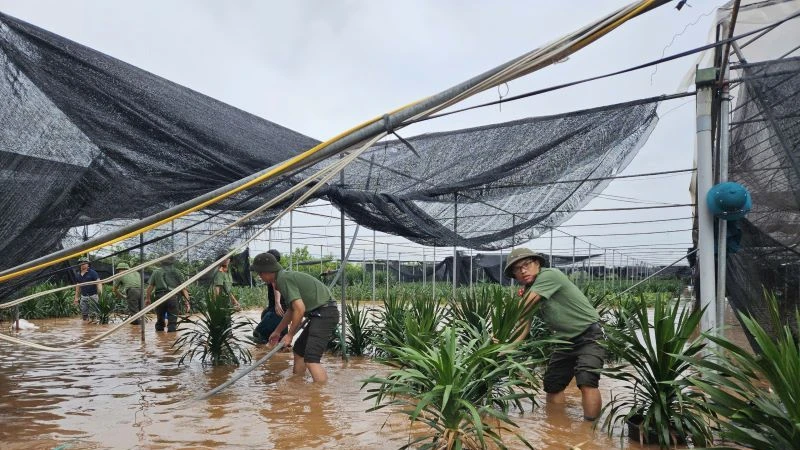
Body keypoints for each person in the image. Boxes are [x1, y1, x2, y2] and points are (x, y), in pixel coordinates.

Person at [504, 247, 604, 421]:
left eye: (526, 264)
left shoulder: (549, 275)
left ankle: (589, 431)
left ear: (537, 264)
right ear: (515, 275)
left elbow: (521, 310)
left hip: (589, 336)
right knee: (553, 385)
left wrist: (503, 326)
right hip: (565, 342)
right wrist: (507, 347)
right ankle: (556, 425)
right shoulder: (529, 291)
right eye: (517, 269)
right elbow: (522, 326)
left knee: (587, 381)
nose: (523, 270)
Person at [251, 252, 338, 383]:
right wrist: (278, 331)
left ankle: (320, 399)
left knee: (311, 359)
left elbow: (300, 308)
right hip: (321, 313)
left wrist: (290, 335)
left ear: (268, 271)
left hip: (324, 313)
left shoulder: (283, 279)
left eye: (260, 273)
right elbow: (292, 310)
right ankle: (297, 385)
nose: (260, 276)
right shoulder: (283, 277)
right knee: (299, 351)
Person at [252, 249, 289, 344]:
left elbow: (275, 287)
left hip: (278, 310)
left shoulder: (274, 273)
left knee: (258, 334)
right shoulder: (279, 272)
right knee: (281, 340)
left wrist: (277, 303)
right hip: (279, 310)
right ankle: (279, 357)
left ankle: (260, 356)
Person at [145, 256, 190, 332]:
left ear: (162, 262)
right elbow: (184, 288)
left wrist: (148, 298)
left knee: (160, 321)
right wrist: (187, 302)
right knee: (172, 322)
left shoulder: (156, 272)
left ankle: (160, 341)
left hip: (160, 297)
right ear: (172, 262)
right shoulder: (177, 272)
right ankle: (170, 340)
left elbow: (150, 287)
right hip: (173, 297)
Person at [73, 256, 102, 321]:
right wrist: (76, 298)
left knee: (93, 315)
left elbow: (99, 283)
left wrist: (100, 294)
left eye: (84, 262)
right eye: (81, 263)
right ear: (79, 264)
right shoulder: (78, 274)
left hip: (93, 296)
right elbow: (78, 287)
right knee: (84, 315)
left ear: (88, 264)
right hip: (83, 297)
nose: (83, 264)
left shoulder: (92, 272)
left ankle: (92, 329)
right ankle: (85, 329)